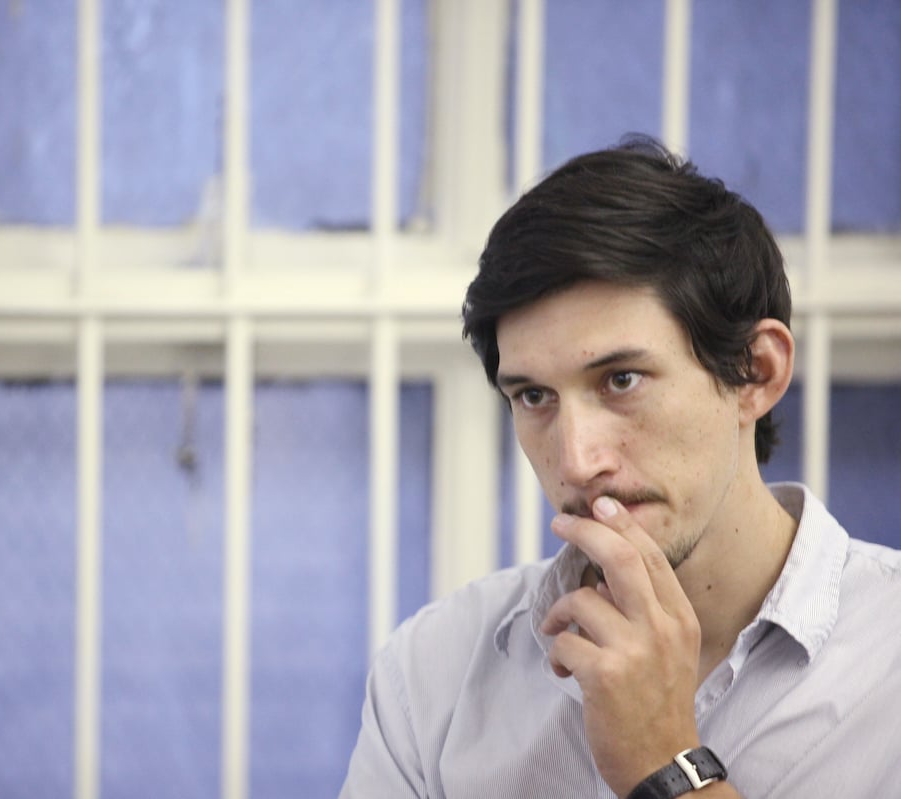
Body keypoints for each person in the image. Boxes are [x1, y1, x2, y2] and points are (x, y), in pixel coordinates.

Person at [340, 136, 901, 798]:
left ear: (756, 372)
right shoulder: (433, 675)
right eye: (534, 396)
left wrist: (666, 762)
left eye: (622, 380)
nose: (577, 461)